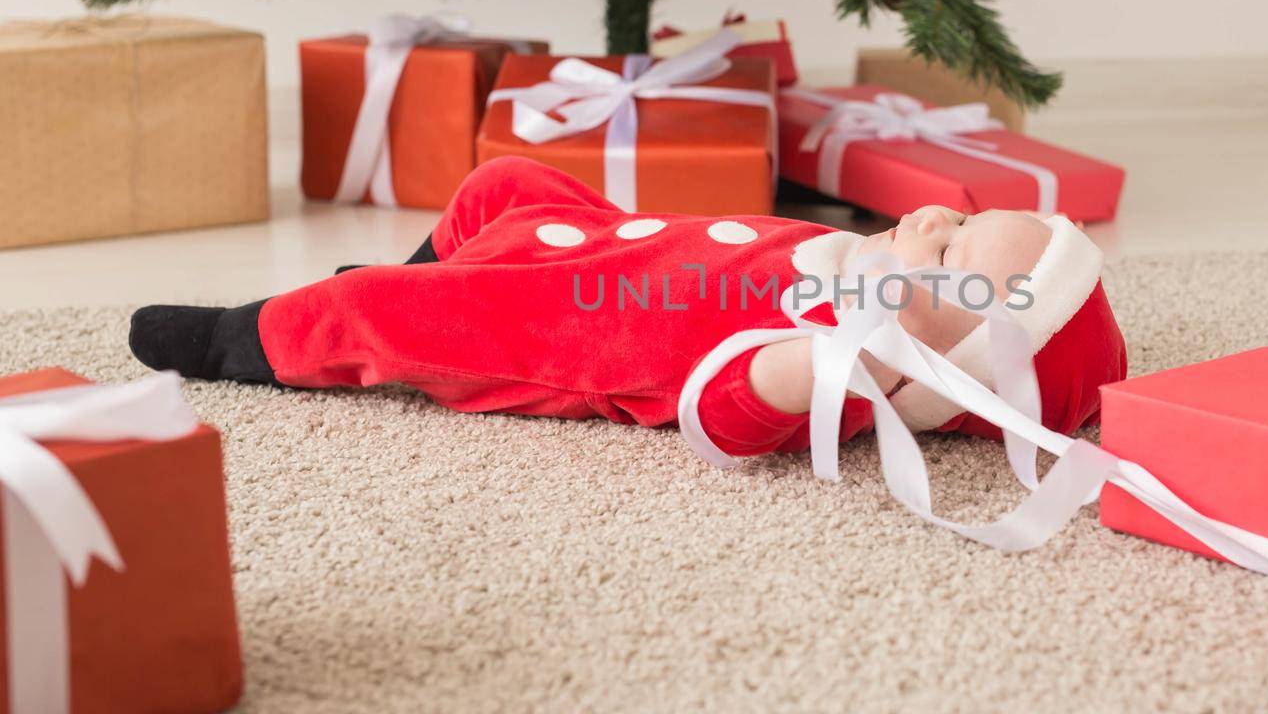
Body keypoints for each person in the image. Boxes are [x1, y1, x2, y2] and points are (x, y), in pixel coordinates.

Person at [128, 158, 1126, 457]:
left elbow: (731, 411)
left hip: (557, 328)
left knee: (389, 312)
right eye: (958, 216)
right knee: (504, 182)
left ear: (931, 346)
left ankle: (237, 338)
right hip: (600, 241)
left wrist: (840, 358)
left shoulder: (844, 365)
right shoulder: (846, 256)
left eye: (943, 249)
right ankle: (434, 265)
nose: (924, 216)